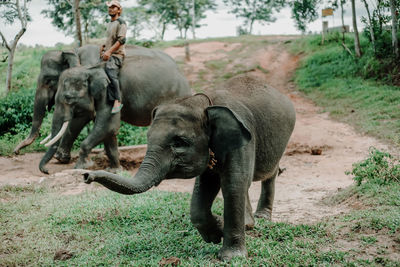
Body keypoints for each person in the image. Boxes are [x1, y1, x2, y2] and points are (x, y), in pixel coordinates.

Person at [101, 0, 127, 114]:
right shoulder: (110, 23)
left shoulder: (121, 22)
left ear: (119, 10)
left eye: (113, 7)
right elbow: (111, 39)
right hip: (110, 53)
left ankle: (118, 100)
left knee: (110, 71)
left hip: (117, 55)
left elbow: (121, 40)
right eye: (109, 7)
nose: (111, 9)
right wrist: (103, 47)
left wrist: (109, 52)